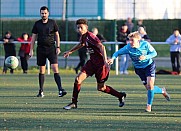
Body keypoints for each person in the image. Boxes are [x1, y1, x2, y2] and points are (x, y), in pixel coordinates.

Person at [63, 18, 126, 110]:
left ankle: (120, 95)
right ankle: (74, 103)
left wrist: (105, 60)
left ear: (86, 27)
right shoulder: (83, 37)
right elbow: (81, 44)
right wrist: (70, 51)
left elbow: (102, 46)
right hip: (92, 63)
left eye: (81, 27)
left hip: (101, 65)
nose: (79, 30)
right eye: (78, 28)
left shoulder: (91, 36)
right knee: (78, 79)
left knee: (101, 88)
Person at [108, 31, 170, 112]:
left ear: (138, 40)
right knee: (148, 88)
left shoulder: (145, 44)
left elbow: (154, 53)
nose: (130, 42)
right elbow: (117, 53)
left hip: (149, 66)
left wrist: (146, 57)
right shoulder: (128, 47)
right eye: (129, 40)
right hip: (139, 69)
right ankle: (162, 91)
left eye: (132, 40)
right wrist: (112, 59)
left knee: (150, 86)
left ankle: (149, 106)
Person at [29, 6, 67, 97]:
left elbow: (57, 35)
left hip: (51, 48)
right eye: (42, 13)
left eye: (45, 13)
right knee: (42, 70)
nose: (44, 15)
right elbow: (33, 38)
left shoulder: (52, 23)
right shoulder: (37, 24)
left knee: (55, 68)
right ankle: (41, 91)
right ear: (40, 14)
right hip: (41, 49)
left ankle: (60, 90)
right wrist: (31, 50)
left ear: (48, 13)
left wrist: (58, 46)